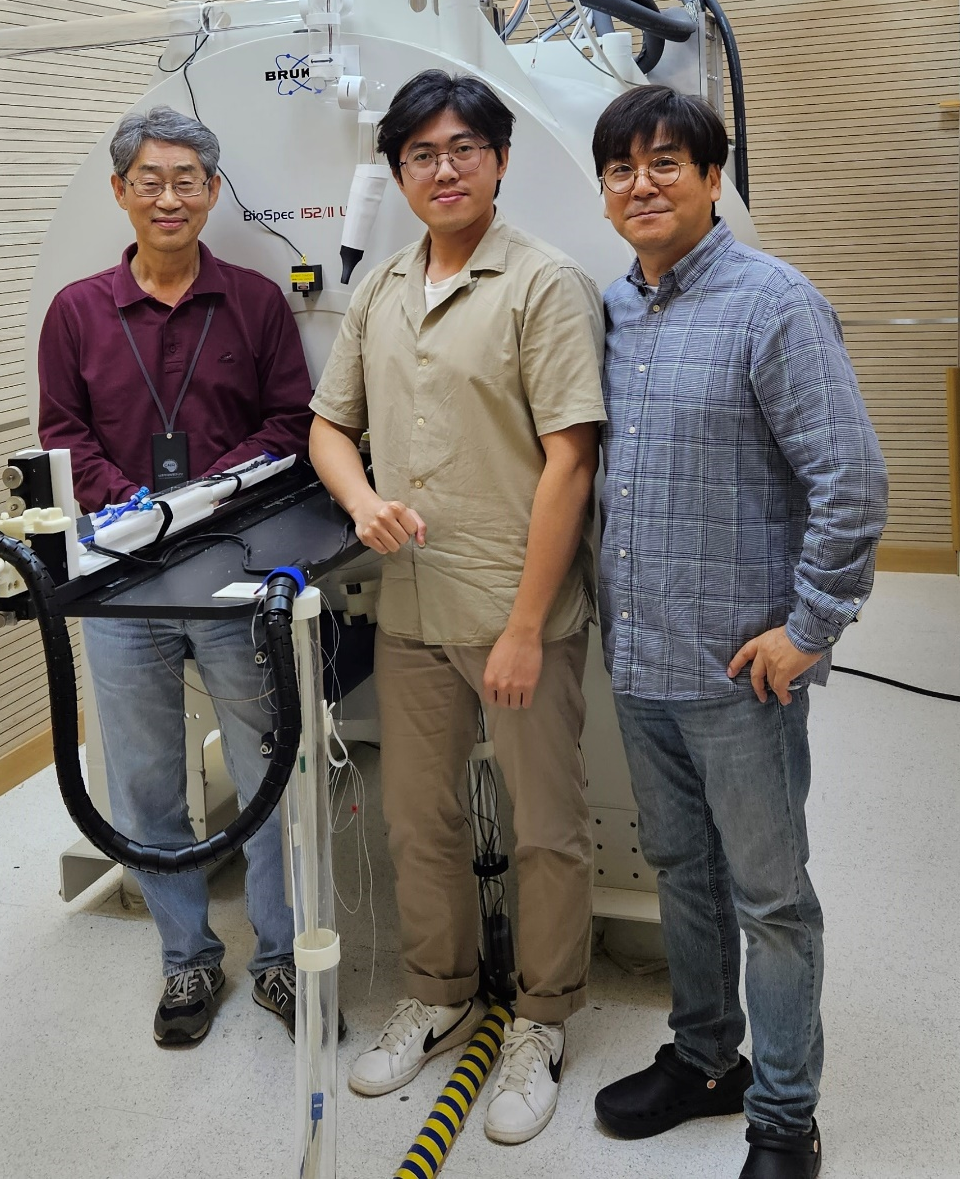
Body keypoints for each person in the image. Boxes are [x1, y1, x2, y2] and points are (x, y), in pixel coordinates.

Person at [590, 85, 887, 1179]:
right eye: (621, 168)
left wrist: (807, 629)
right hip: (640, 659)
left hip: (740, 675)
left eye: (666, 162)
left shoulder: (774, 304)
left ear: (712, 179)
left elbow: (851, 481)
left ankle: (782, 1118)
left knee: (770, 898)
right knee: (679, 869)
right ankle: (704, 1058)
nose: (641, 183)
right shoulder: (614, 308)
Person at [308, 69, 607, 1145]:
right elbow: (327, 425)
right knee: (414, 818)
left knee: (546, 829)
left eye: (461, 149)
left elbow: (569, 461)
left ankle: (540, 1019)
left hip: (519, 614)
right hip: (411, 610)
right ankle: (438, 993)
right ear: (395, 172)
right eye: (421, 154)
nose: (442, 168)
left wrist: (525, 626)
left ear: (498, 160)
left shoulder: (543, 283)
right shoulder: (382, 286)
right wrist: (358, 497)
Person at [38, 105, 314, 1047]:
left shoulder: (255, 301)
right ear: (120, 192)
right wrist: (143, 511)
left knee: (265, 767)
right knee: (147, 782)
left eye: (188, 178)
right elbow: (63, 437)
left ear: (212, 191)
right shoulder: (77, 311)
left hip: (233, 578)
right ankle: (186, 960)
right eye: (149, 180)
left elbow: (288, 424)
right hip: (118, 587)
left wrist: (206, 502)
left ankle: (280, 961)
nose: (169, 195)